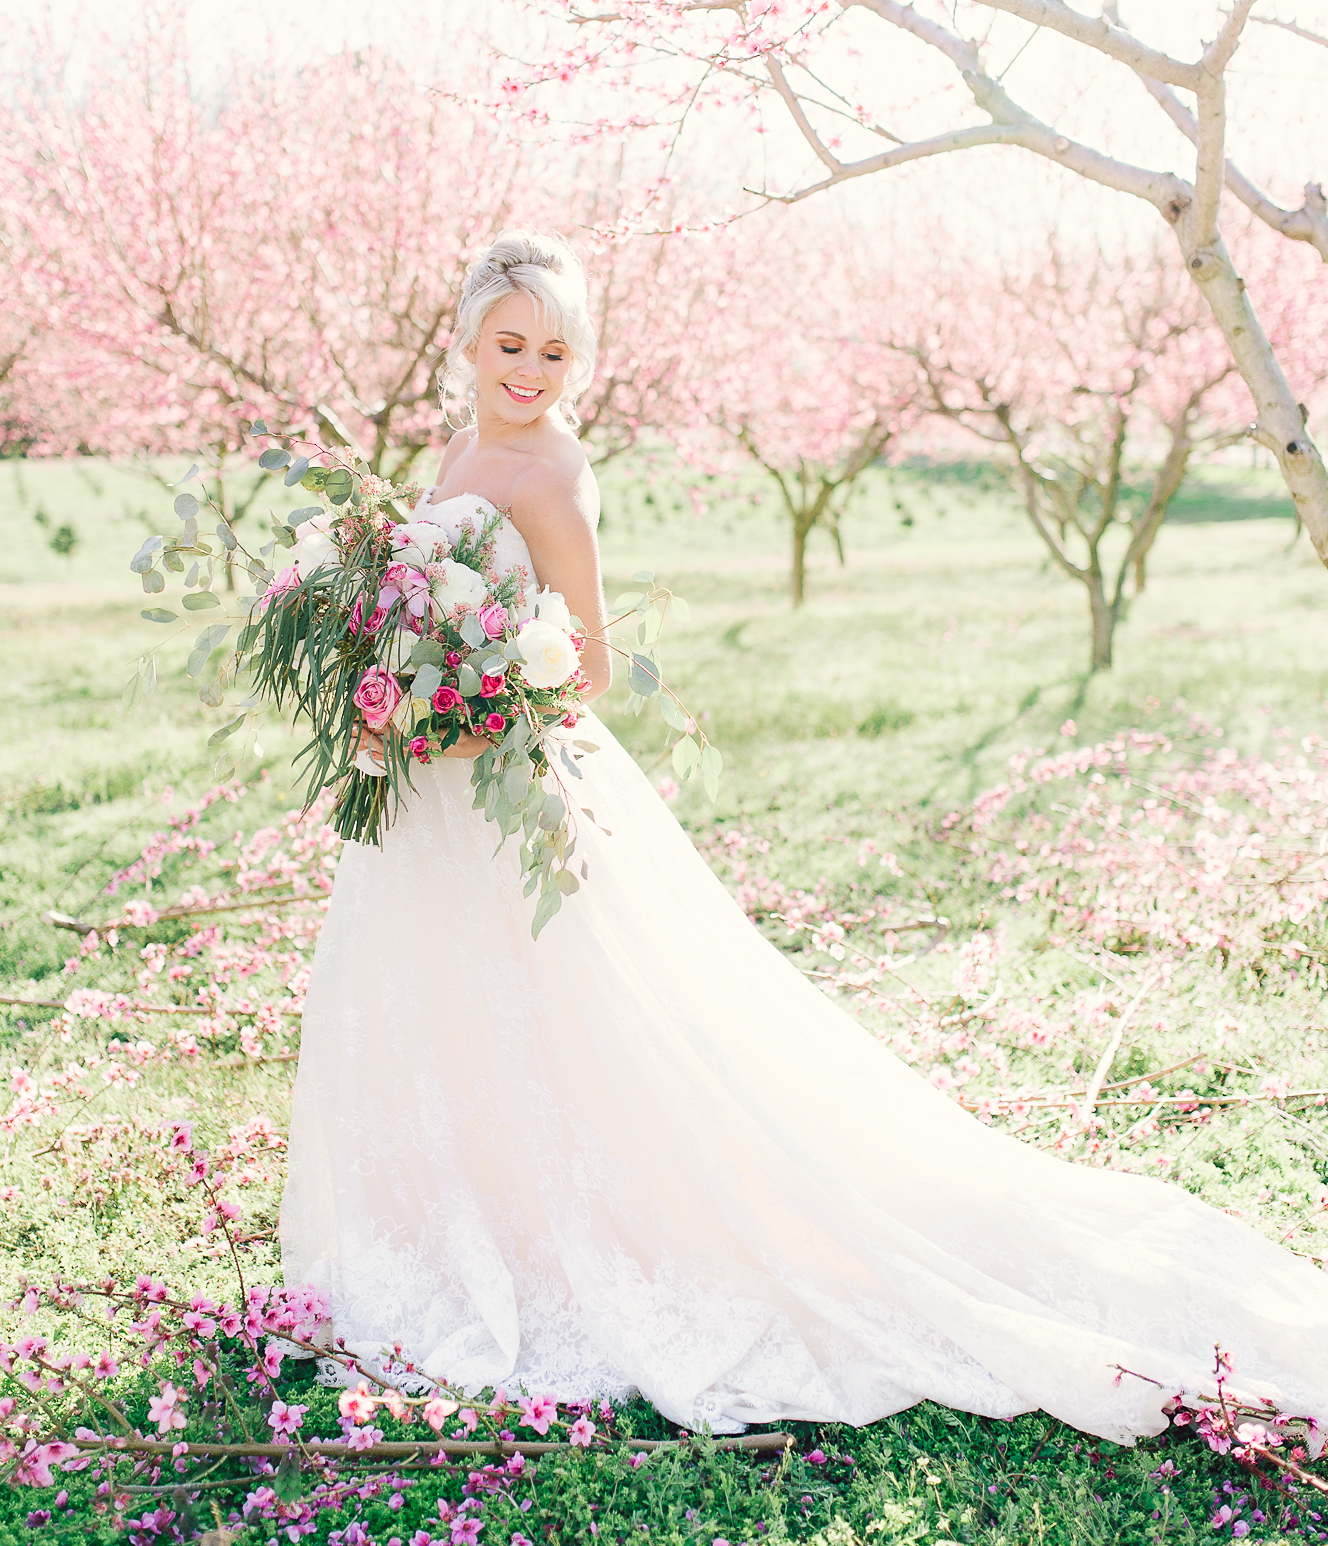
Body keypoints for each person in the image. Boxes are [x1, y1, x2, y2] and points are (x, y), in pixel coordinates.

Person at [281, 229, 1328, 1443]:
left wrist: (461, 714)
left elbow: (589, 665)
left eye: (556, 350)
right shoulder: (457, 445)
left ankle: (597, 1248)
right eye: (511, 344)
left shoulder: (557, 474)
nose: (531, 369)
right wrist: (382, 690)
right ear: (465, 338)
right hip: (427, 798)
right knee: (452, 1019)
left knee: (583, 1029)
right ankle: (474, 1234)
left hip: (507, 774)